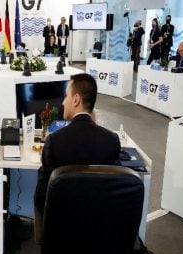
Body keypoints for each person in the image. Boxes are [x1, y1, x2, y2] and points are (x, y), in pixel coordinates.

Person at [34, 73, 120, 243]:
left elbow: (41, 197)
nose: (63, 102)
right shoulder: (111, 141)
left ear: (76, 100)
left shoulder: (55, 141)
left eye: (66, 96)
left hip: (62, 233)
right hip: (100, 234)